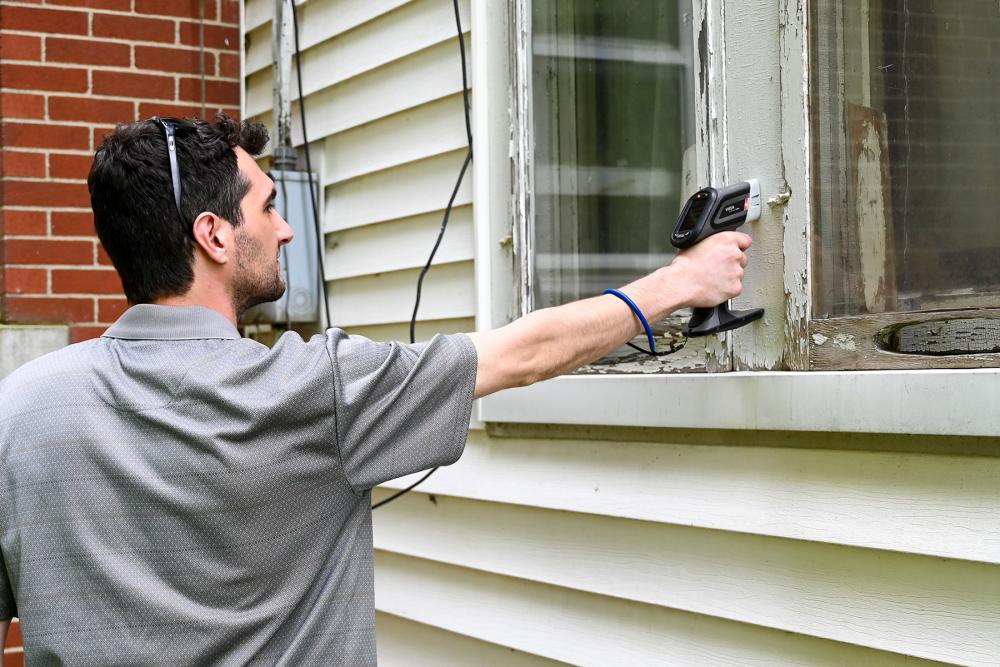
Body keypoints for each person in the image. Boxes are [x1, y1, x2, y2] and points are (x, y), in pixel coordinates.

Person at [0, 115, 751, 665]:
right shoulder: (313, 390)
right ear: (215, 235)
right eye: (266, 205)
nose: (286, 229)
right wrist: (684, 281)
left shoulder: (19, 410)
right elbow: (520, 354)